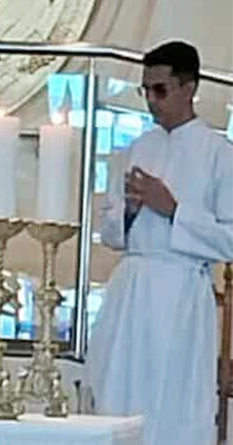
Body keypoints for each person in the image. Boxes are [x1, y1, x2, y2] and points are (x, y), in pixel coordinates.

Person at [85, 41, 233, 444]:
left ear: (189, 88)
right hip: (131, 291)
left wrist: (174, 210)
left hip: (182, 295)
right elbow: (110, 232)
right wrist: (130, 213)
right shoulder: (136, 149)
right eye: (145, 90)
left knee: (173, 403)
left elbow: (229, 239)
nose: (151, 100)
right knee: (118, 392)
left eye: (160, 90)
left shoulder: (219, 154)